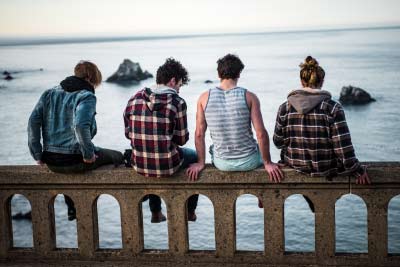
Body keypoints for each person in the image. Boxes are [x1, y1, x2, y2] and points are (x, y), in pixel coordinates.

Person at [28, 61, 124, 220]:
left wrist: (37, 155)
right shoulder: (86, 96)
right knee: (117, 156)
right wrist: (88, 154)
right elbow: (80, 126)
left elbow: (33, 122)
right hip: (75, 160)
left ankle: (72, 207)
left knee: (70, 162)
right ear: (89, 78)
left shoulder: (48, 93)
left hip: (51, 162)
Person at [186, 54, 283, 204]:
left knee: (214, 147)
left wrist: (200, 162)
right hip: (249, 161)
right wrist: (268, 162)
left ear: (219, 74)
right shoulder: (249, 97)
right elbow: (261, 134)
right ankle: (261, 195)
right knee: (256, 148)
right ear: (239, 73)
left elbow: (199, 134)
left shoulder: (204, 98)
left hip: (222, 163)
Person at [273, 56, 370, 184]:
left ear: (302, 81)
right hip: (326, 168)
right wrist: (357, 170)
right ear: (322, 81)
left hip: (294, 166)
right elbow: (343, 148)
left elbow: (278, 142)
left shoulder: (284, 108)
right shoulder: (333, 108)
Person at [124, 58, 199, 222]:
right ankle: (190, 211)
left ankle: (155, 212)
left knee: (149, 153)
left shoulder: (134, 99)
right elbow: (181, 139)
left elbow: (128, 133)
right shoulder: (177, 102)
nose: (179, 90)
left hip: (139, 164)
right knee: (195, 157)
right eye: (179, 85)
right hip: (168, 166)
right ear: (172, 81)